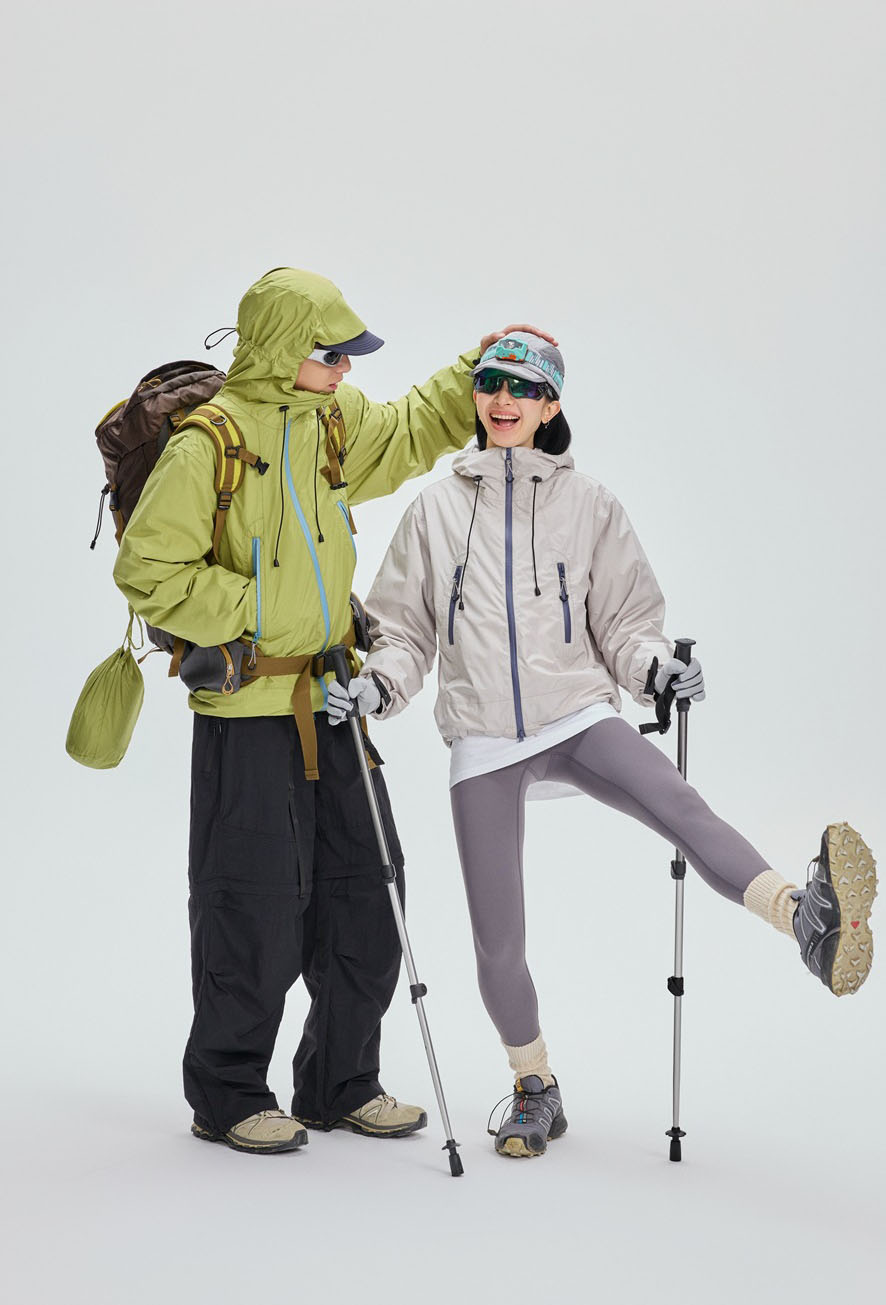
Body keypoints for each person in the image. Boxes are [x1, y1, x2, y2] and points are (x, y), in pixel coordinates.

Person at [327, 331, 878, 1160]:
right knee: (497, 943)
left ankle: (806, 917)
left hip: (577, 712)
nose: (502, 400)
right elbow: (401, 630)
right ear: (476, 395)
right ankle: (534, 1085)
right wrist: (378, 684)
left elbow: (626, 622)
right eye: (490, 383)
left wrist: (657, 670)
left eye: (523, 388)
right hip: (482, 736)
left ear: (550, 403)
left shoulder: (589, 504)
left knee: (679, 806)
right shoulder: (435, 510)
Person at [114, 265, 553, 1154]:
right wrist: (258, 608)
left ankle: (339, 1081)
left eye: (350, 355)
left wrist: (472, 365)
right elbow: (147, 571)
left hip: (332, 696)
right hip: (247, 706)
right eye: (331, 354)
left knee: (369, 889)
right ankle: (228, 1093)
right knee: (252, 905)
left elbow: (412, 428)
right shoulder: (208, 444)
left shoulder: (331, 423)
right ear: (283, 351)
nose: (346, 369)